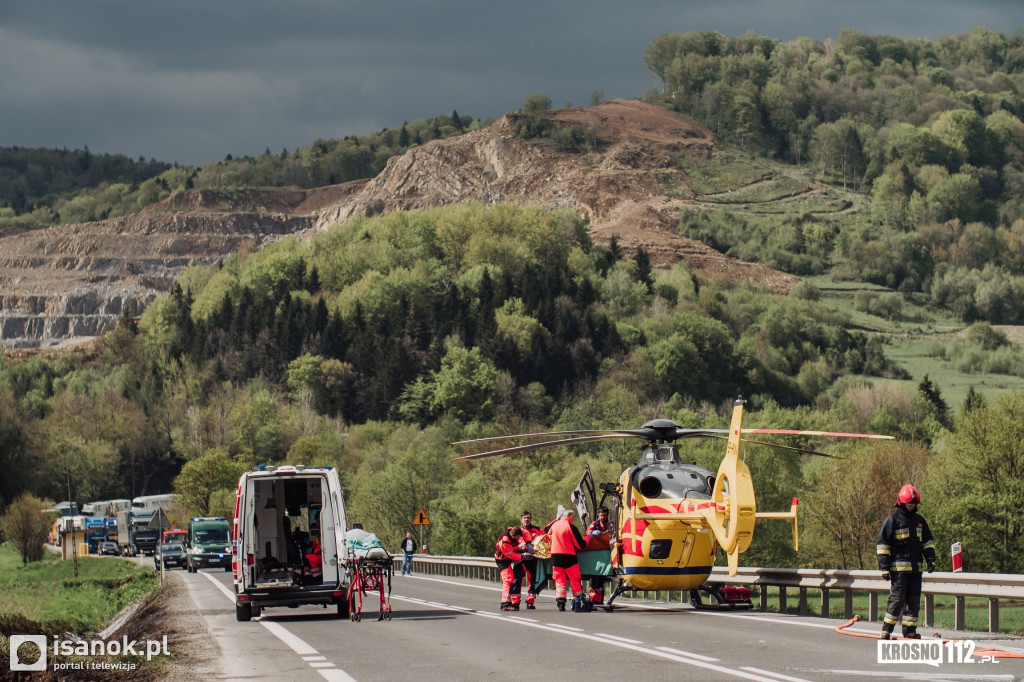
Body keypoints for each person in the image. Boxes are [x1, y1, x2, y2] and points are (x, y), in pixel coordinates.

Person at [877, 484, 936, 640]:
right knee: (897, 599)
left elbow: (928, 542)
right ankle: (886, 630)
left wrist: (930, 559)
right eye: (909, 504)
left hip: (916, 570)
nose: (912, 507)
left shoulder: (919, 521)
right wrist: (885, 568)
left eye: (914, 504)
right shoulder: (892, 520)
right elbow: (883, 546)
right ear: (901, 503)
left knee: (913, 601)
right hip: (899, 570)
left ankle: (909, 630)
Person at [547, 508, 588, 612]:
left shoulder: (554, 525)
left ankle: (561, 603)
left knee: (559, 581)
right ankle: (578, 599)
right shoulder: (570, 526)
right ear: (571, 517)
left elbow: (546, 533)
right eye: (573, 518)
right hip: (569, 556)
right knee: (574, 579)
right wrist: (588, 538)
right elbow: (580, 545)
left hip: (555, 557)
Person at [494, 526, 529, 611]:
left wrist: (526, 542)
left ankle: (514, 602)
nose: (518, 539)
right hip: (502, 560)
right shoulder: (505, 542)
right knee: (508, 579)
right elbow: (510, 555)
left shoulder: (511, 530)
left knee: (518, 577)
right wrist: (521, 557)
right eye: (517, 537)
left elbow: (525, 533)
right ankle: (505, 603)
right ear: (513, 536)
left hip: (510, 557)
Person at [584, 507, 612, 604]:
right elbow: (587, 532)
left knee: (599, 578)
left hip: (608, 551)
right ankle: (594, 598)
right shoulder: (595, 524)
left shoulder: (611, 524)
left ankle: (598, 599)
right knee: (595, 577)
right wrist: (593, 533)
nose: (603, 518)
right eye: (601, 516)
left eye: (604, 516)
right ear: (598, 515)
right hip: (597, 553)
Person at [519, 510, 544, 609]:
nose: (527, 520)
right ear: (521, 519)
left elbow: (544, 540)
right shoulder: (517, 530)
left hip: (533, 558)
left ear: (531, 519)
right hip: (519, 558)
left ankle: (530, 600)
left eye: (528, 518)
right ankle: (515, 600)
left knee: (532, 579)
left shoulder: (537, 530)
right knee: (518, 579)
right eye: (525, 518)